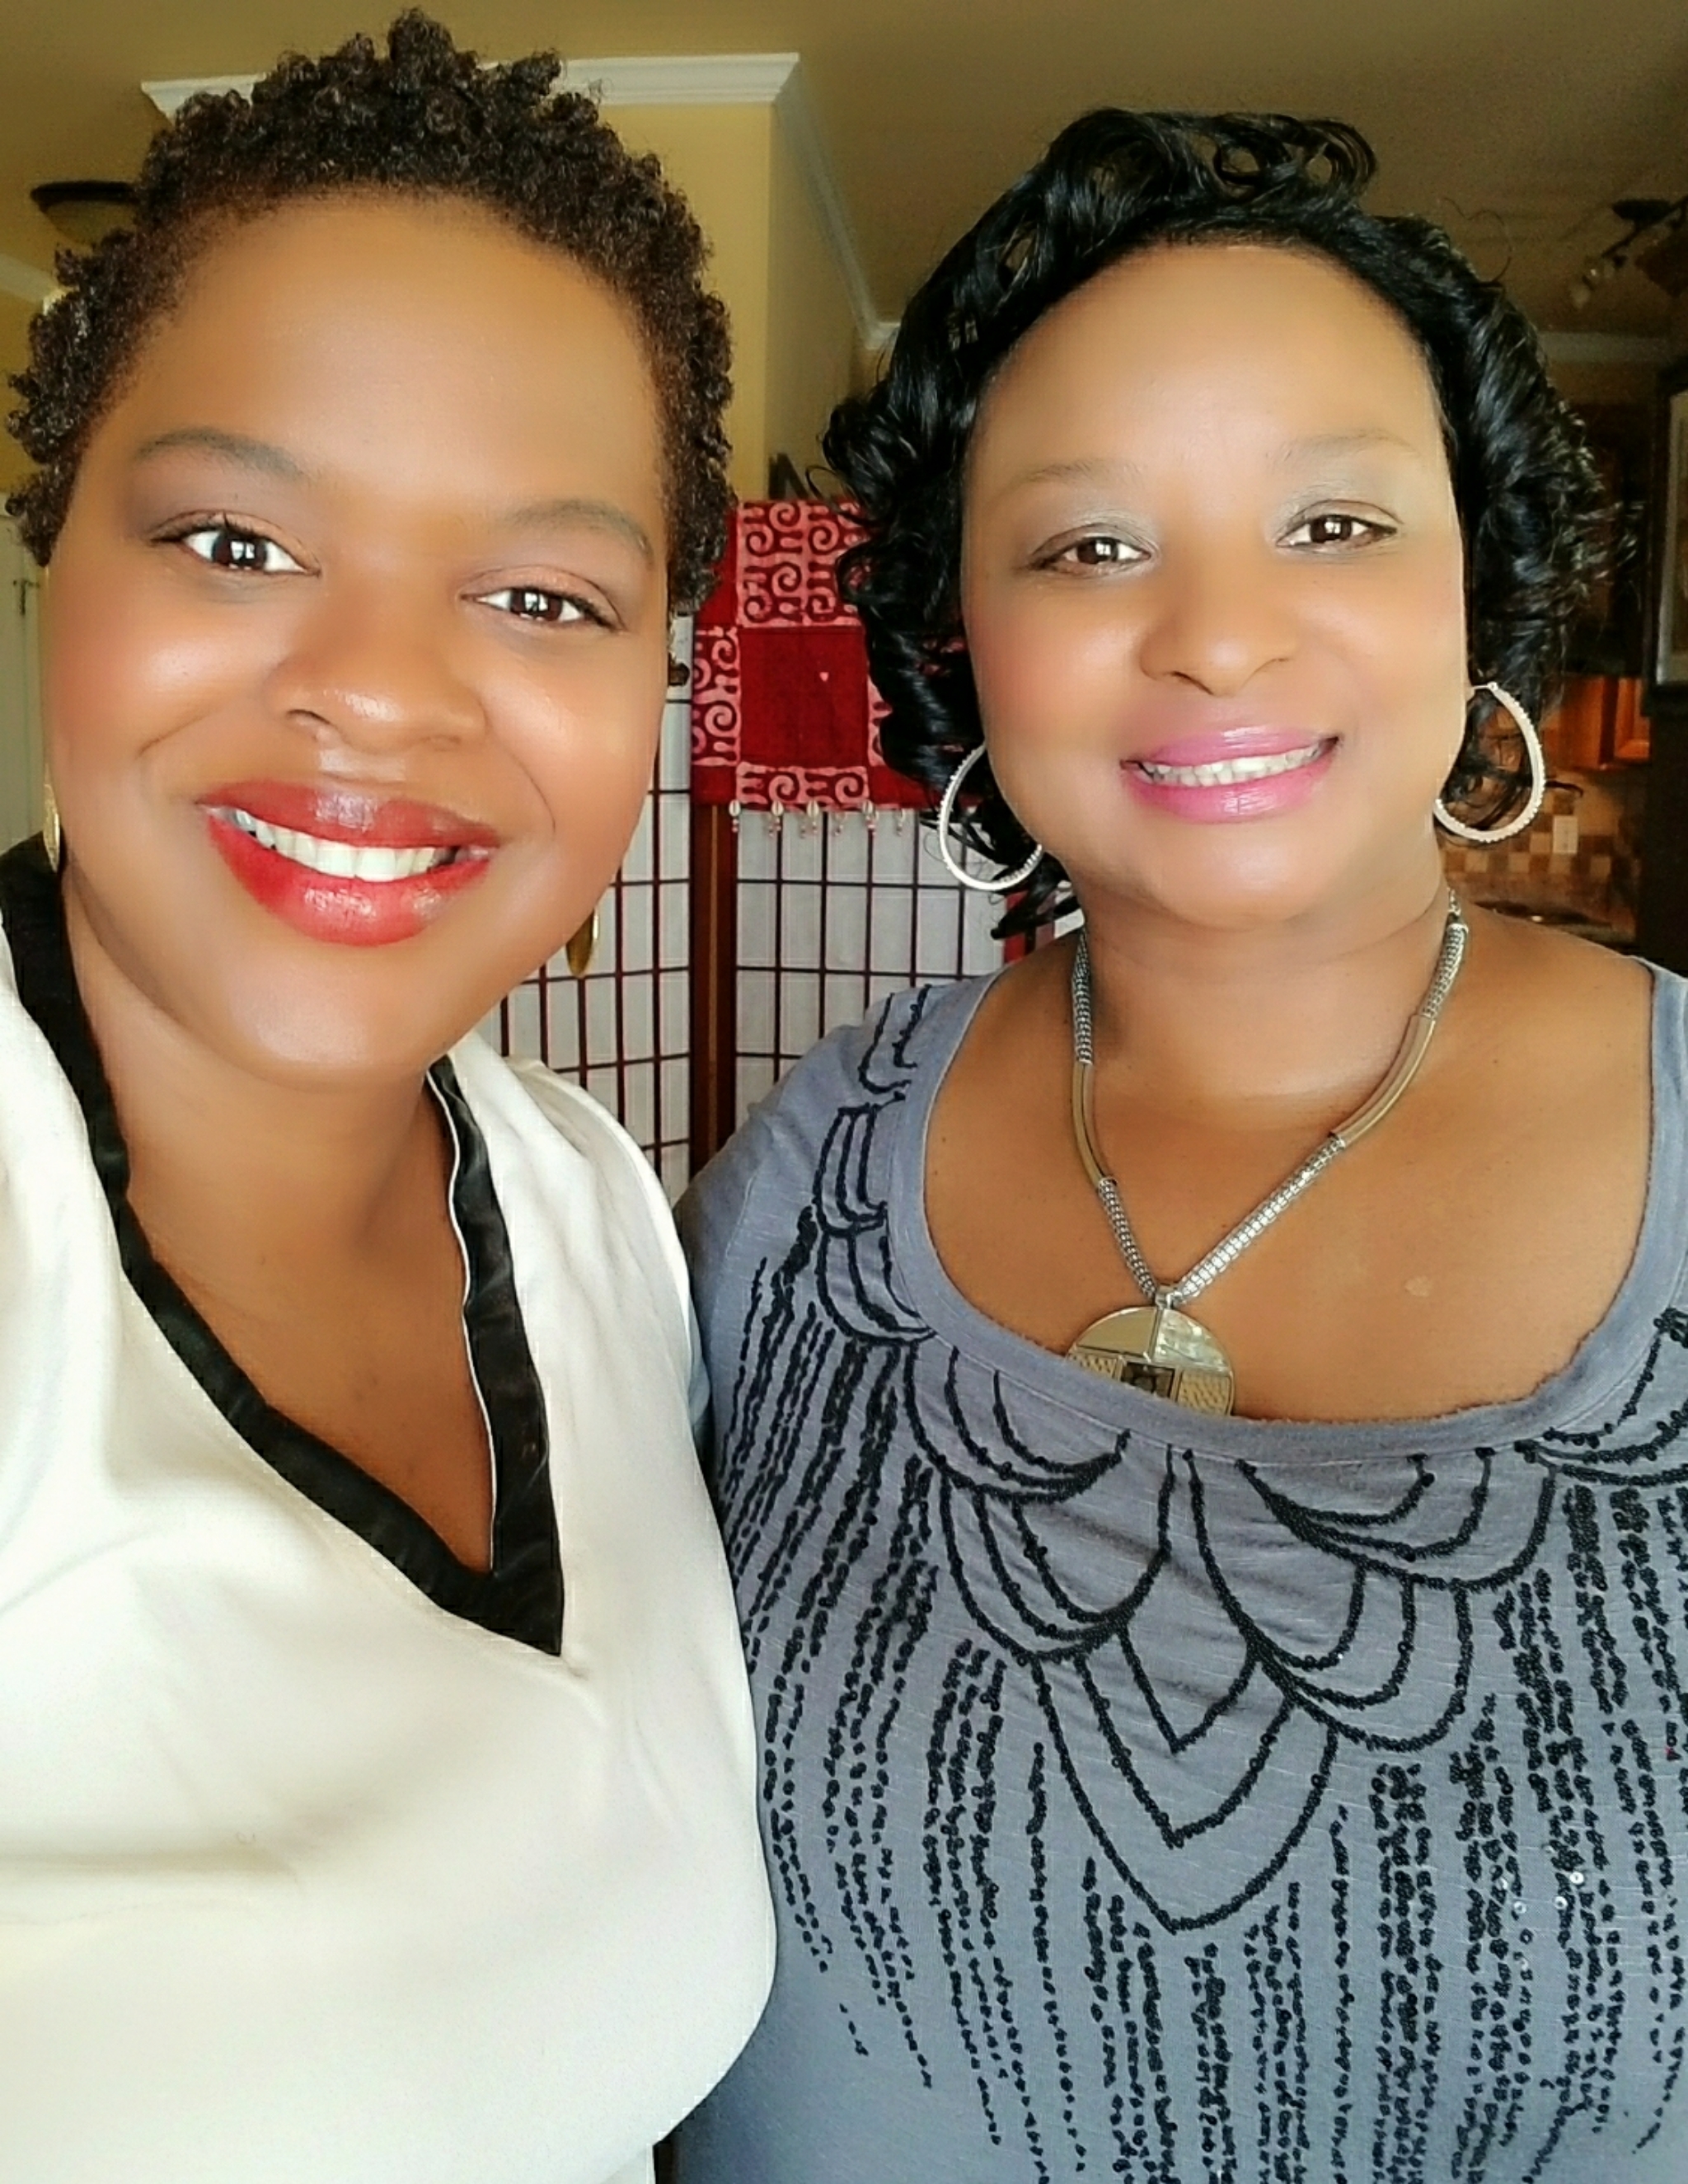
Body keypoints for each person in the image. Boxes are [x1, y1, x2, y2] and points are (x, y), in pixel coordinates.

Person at [673, 110, 1688, 2184]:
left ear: (1478, 589)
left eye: (1334, 521)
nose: (1217, 632)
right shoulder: (799, 1186)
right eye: (1087, 546)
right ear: (959, 635)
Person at [0, 18, 770, 2182]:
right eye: (239, 542)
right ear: (56, 553)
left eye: (540, 594)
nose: (378, 688)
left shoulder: (590, 1205)